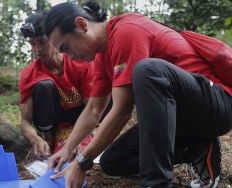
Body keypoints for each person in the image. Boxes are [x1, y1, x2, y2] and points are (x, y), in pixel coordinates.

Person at [44, 1, 232, 188]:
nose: (68, 56)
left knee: (147, 70)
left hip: (216, 105)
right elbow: (93, 110)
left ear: (82, 24)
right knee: (112, 161)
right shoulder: (102, 56)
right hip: (178, 116)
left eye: (66, 47)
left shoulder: (126, 31)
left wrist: (82, 162)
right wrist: (67, 150)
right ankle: (197, 148)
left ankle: (156, 183)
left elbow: (122, 111)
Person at [19, 11, 95, 160]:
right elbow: (25, 121)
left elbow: (91, 108)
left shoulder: (78, 60)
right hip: (55, 123)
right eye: (32, 43)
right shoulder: (29, 74)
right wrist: (35, 139)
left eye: (42, 41)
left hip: (81, 117)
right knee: (43, 87)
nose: (37, 49)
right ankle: (49, 139)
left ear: (54, 38)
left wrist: (79, 137)